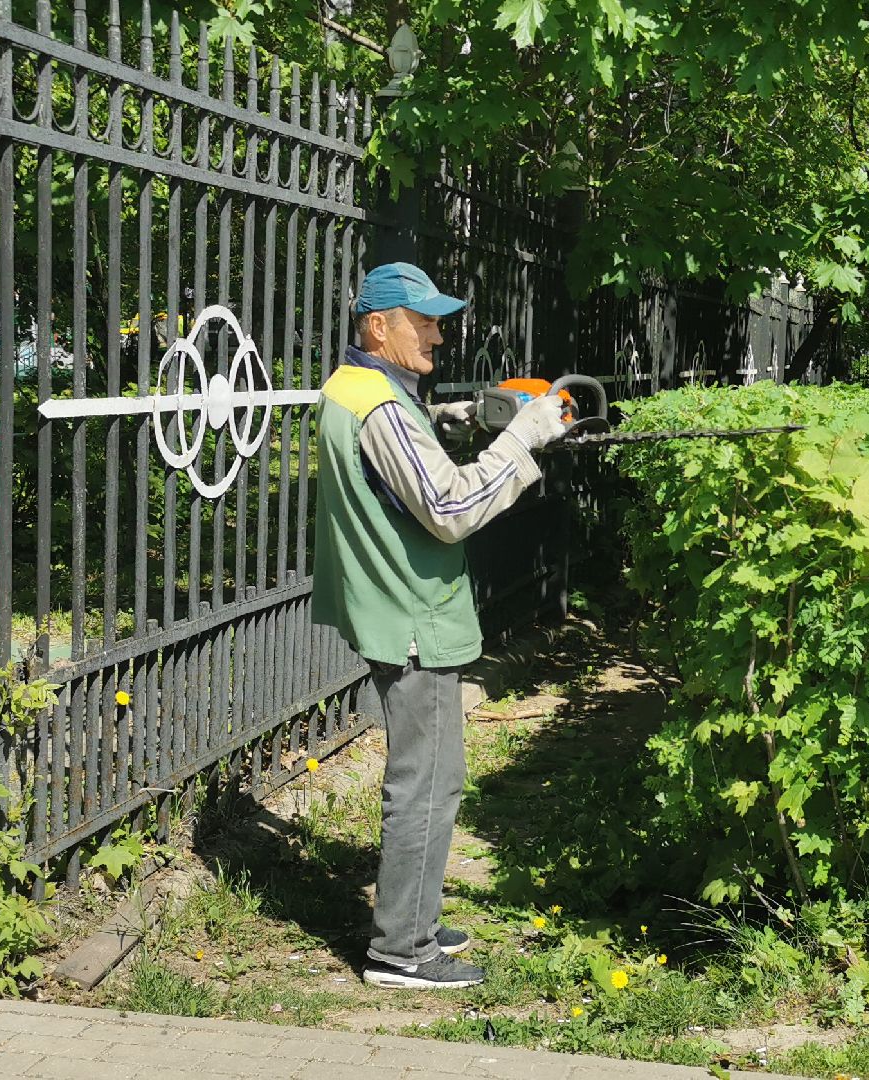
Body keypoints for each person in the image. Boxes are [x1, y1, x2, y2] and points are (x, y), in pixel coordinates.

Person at [311, 262, 571, 991]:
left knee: (437, 774)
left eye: (437, 319)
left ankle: (415, 920)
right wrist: (520, 441)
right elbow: (450, 508)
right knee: (426, 782)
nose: (438, 332)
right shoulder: (382, 407)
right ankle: (400, 951)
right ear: (377, 327)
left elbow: (393, 463)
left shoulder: (353, 386)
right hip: (413, 613)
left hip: (392, 605)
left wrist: (447, 420)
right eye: (421, 321)